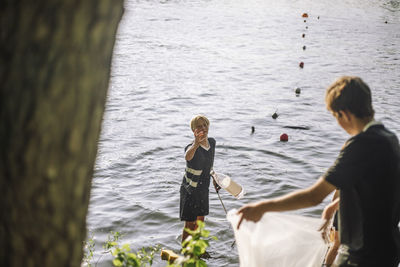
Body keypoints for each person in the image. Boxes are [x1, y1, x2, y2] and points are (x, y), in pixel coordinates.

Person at [237, 76, 400, 267]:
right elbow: (374, 190)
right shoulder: (390, 139)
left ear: (345, 114)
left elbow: (314, 196)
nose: (338, 124)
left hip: (360, 256)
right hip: (388, 251)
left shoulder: (359, 145)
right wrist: (334, 206)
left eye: (335, 116)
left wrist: (262, 207)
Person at [180, 115, 219, 243]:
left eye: (205, 125)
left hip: (203, 189)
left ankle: (197, 249)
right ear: (194, 130)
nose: (203, 128)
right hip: (190, 191)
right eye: (199, 126)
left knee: (200, 222)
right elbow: (187, 157)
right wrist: (196, 144)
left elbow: (209, 164)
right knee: (190, 225)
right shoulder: (190, 148)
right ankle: (186, 253)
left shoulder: (212, 142)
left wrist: (214, 178)